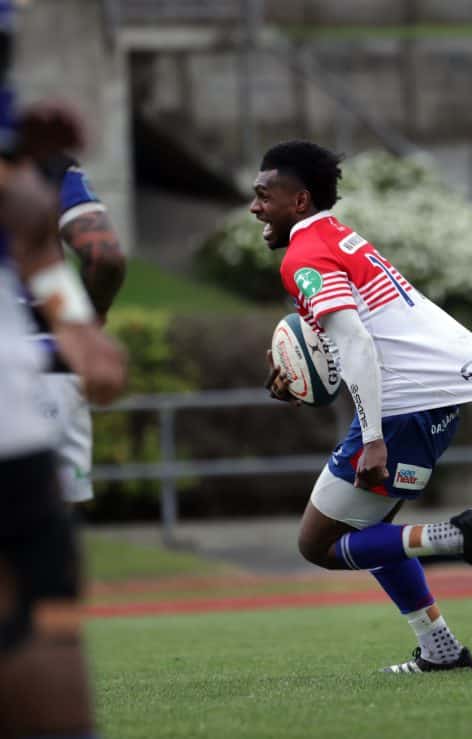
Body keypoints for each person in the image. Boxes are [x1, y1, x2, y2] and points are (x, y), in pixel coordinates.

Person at [253, 140, 472, 673]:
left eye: (264, 195)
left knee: (320, 545)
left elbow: (357, 343)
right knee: (373, 537)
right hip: (430, 407)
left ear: (300, 200)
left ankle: (458, 535)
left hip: (399, 415)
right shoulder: (342, 239)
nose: (255, 207)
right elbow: (358, 340)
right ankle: (440, 649)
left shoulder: (304, 256)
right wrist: (303, 378)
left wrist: (374, 438)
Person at [0, 16, 126, 739]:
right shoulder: (27, 157)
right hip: (21, 395)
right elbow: (95, 253)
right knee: (41, 605)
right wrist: (81, 328)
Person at [30, 153, 125, 504]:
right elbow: (105, 256)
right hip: (46, 365)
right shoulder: (41, 163)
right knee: (46, 525)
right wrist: (88, 320)